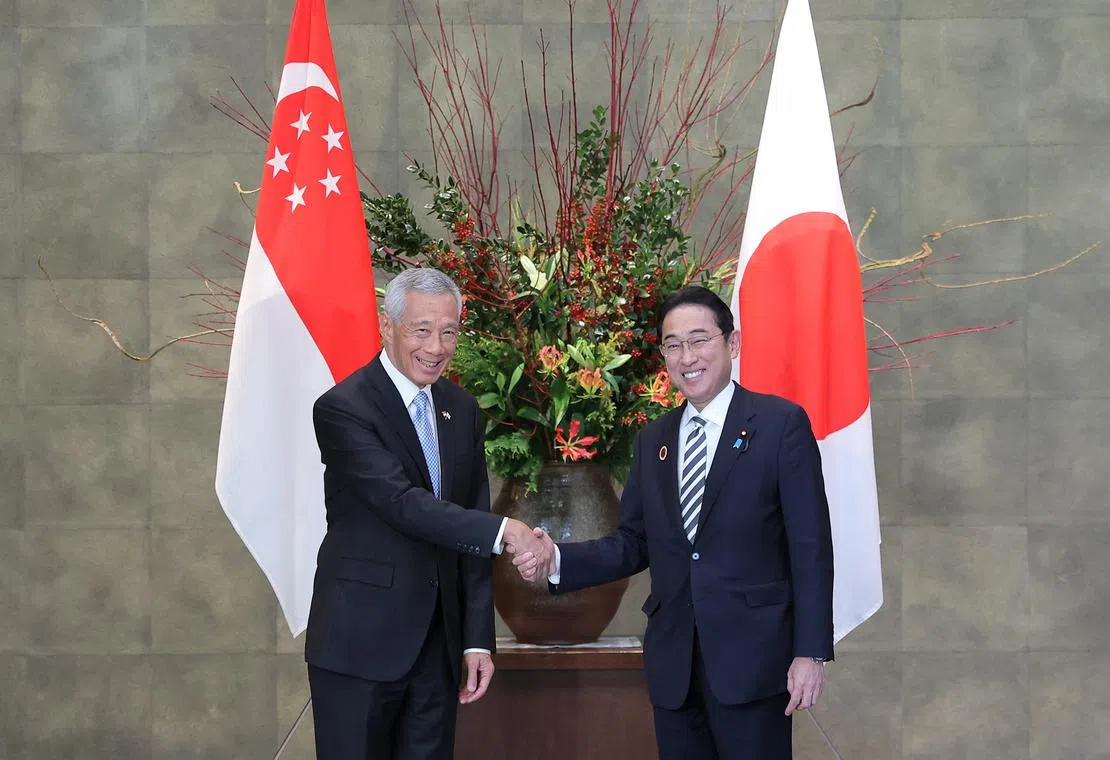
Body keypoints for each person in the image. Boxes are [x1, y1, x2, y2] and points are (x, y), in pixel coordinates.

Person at [514, 285, 834, 760]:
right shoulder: (653, 440)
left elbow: (810, 546)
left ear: (733, 344)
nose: (688, 357)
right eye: (673, 344)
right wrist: (556, 558)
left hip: (754, 661)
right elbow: (634, 542)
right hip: (675, 667)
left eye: (700, 339)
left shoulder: (779, 425)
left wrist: (810, 653)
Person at [304, 267, 550, 760]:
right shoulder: (343, 408)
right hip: (359, 644)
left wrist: (478, 640)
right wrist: (508, 532)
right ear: (386, 326)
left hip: (437, 650)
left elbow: (469, 523)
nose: (436, 347)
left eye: (449, 331)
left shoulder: (461, 408)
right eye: (422, 330)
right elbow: (403, 505)